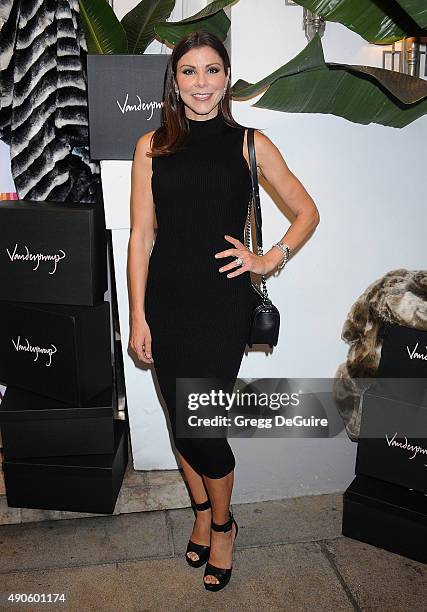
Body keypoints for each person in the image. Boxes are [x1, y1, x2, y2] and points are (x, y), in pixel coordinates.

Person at [128, 30, 320, 592]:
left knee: (201, 425)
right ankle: (198, 513)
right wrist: (138, 316)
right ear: (175, 81)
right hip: (166, 301)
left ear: (226, 77)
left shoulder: (251, 143)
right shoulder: (151, 145)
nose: (202, 83)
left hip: (222, 304)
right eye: (190, 72)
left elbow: (306, 211)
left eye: (212, 71)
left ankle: (223, 524)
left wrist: (269, 259)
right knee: (179, 421)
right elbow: (141, 237)